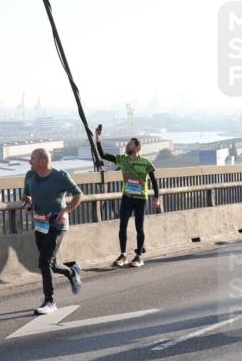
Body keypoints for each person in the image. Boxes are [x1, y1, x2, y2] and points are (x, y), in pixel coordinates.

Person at [22, 148, 83, 315]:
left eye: (32, 159)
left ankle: (50, 301)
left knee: (44, 262)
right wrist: (27, 204)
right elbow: (26, 196)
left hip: (57, 224)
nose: (29, 162)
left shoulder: (60, 176)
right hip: (39, 224)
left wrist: (65, 211)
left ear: (42, 161)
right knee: (52, 264)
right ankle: (72, 272)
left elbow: (78, 195)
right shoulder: (30, 176)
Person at [96, 128, 161, 267]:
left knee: (139, 227)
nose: (127, 146)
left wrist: (156, 197)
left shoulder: (146, 162)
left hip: (140, 199)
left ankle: (138, 256)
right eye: (127, 144)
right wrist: (98, 139)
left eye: (130, 144)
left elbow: (154, 181)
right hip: (127, 197)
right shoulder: (123, 160)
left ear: (137, 147)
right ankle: (123, 255)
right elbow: (102, 155)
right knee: (122, 226)